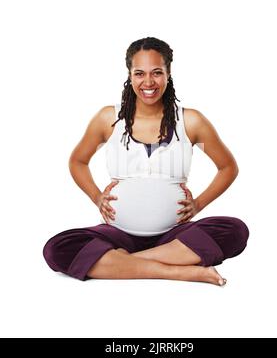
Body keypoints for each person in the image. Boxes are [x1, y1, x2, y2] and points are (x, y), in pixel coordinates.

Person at [43, 37, 249, 286]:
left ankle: (124, 263)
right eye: (139, 73)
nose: (148, 82)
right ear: (129, 75)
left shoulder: (191, 121)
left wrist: (198, 205)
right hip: (118, 234)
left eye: (157, 73)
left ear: (168, 73)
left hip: (175, 236)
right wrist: (97, 197)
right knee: (57, 248)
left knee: (235, 231)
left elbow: (228, 167)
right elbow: (78, 161)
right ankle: (177, 271)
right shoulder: (109, 119)